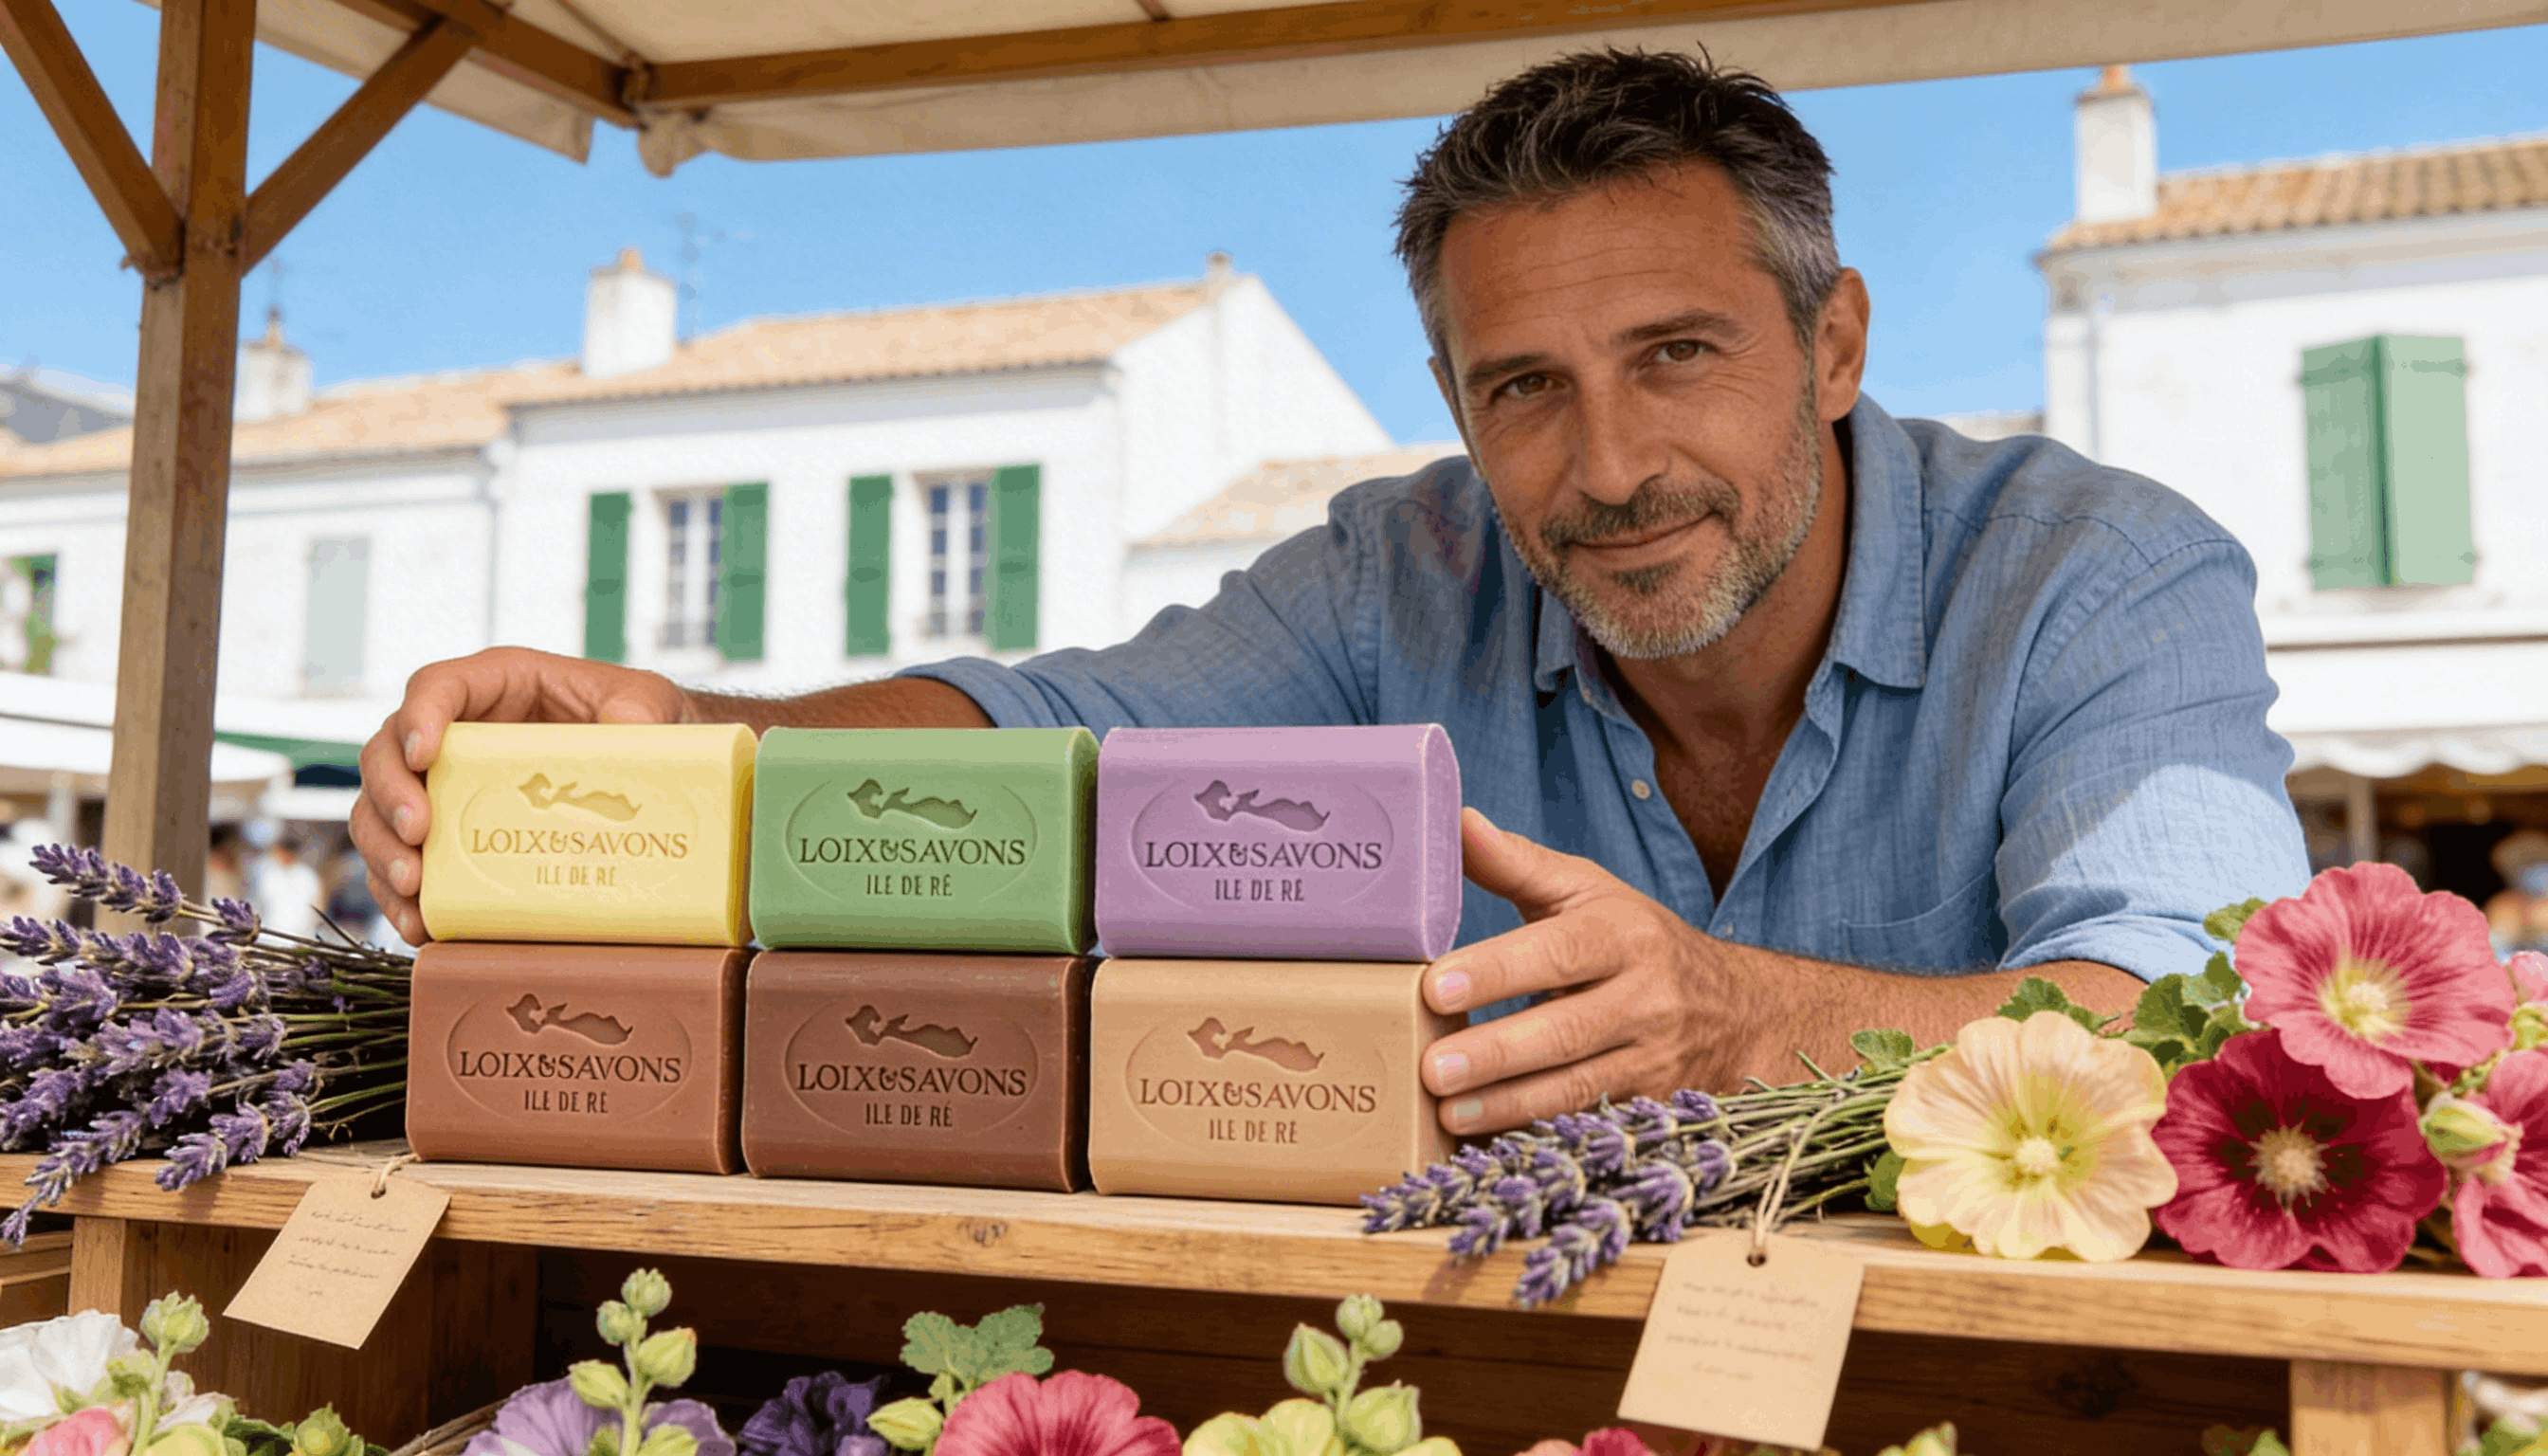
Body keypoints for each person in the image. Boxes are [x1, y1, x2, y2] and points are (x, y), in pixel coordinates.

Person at [354, 48, 2309, 1133]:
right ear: (1455, 401)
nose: (1608, 465)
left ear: (1836, 343)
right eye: (1522, 389)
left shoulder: (2100, 580)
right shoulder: (1401, 566)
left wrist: (1736, 1019)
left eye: (1679, 355)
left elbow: (2199, 1023)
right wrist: (700, 737)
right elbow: (1061, 736)